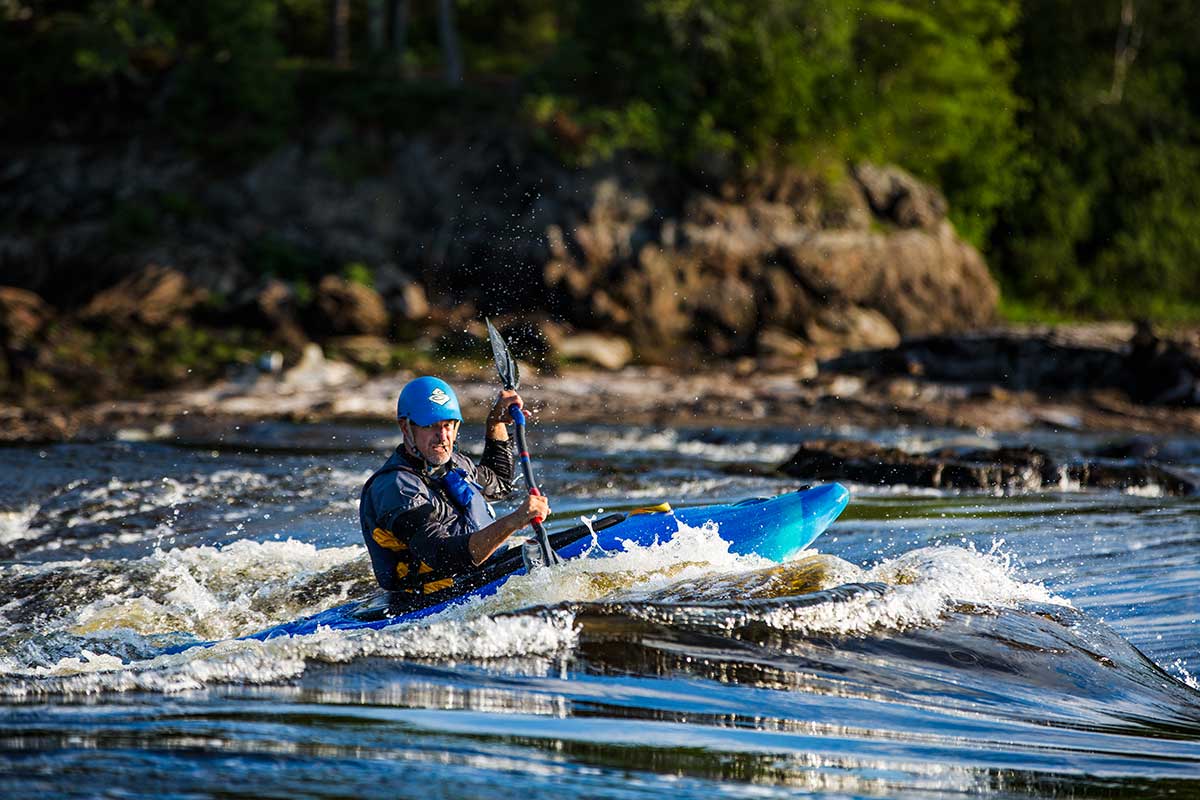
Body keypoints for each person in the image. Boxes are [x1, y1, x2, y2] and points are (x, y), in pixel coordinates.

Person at [359, 376, 551, 597]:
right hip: (429, 600)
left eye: (448, 425)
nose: (442, 437)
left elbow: (499, 484)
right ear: (405, 427)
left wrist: (496, 422)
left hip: (477, 575)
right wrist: (513, 521)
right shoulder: (396, 489)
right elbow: (442, 556)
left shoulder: (455, 463)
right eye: (430, 426)